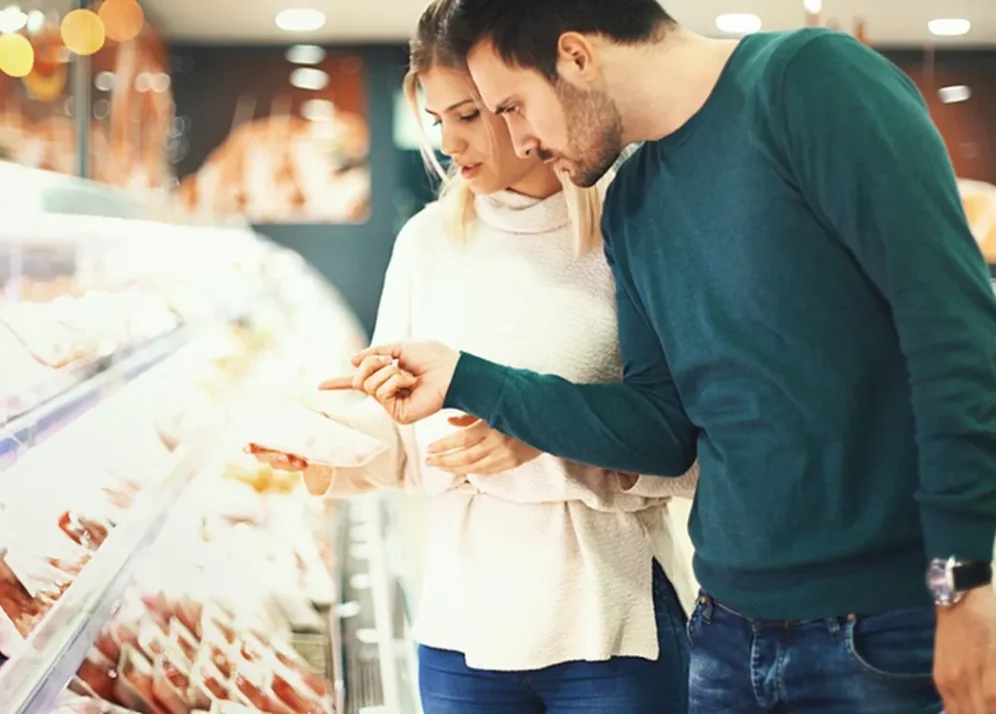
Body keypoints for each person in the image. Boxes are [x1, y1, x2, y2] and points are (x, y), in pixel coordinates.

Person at [322, 1, 996, 713]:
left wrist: (964, 581)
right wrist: (466, 378)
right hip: (727, 630)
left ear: (577, 57)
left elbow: (953, 335)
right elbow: (660, 430)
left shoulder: (807, 82)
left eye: (514, 106)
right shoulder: (633, 202)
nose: (519, 137)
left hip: (879, 628)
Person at [248, 4, 698, 713]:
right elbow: (411, 445)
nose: (452, 143)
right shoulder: (426, 243)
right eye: (438, 122)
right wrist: (327, 444)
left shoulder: (630, 231)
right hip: (465, 631)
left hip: (610, 625)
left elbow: (683, 449)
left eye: (472, 113)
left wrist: (539, 441)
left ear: (521, 99)